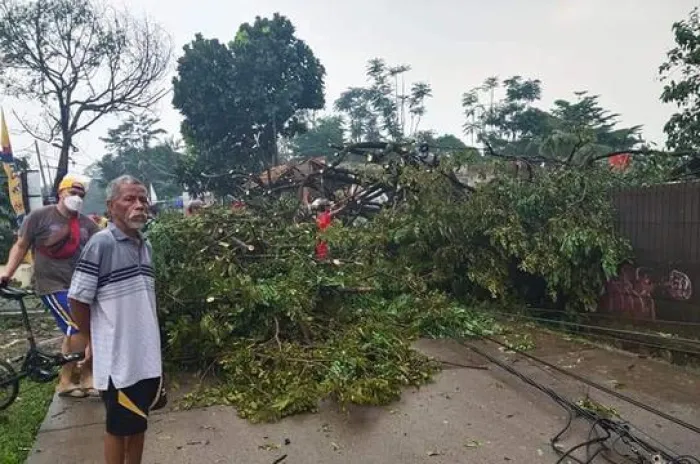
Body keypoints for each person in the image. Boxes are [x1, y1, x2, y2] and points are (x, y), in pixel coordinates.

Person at [69, 175, 163, 464]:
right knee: (118, 428)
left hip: (145, 358)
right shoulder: (102, 243)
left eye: (143, 199)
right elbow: (77, 298)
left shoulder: (143, 245)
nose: (139, 205)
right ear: (111, 206)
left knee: (138, 425)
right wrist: (92, 340)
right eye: (130, 199)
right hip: (119, 361)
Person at [0, 175, 99, 397]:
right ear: (60, 194)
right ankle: (78, 376)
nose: (77, 198)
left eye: (81, 195)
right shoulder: (39, 217)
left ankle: (73, 379)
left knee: (77, 331)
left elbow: (104, 247)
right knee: (79, 327)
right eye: (72, 194)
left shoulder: (86, 224)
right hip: (51, 284)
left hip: (79, 285)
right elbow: (21, 245)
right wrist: (7, 272)